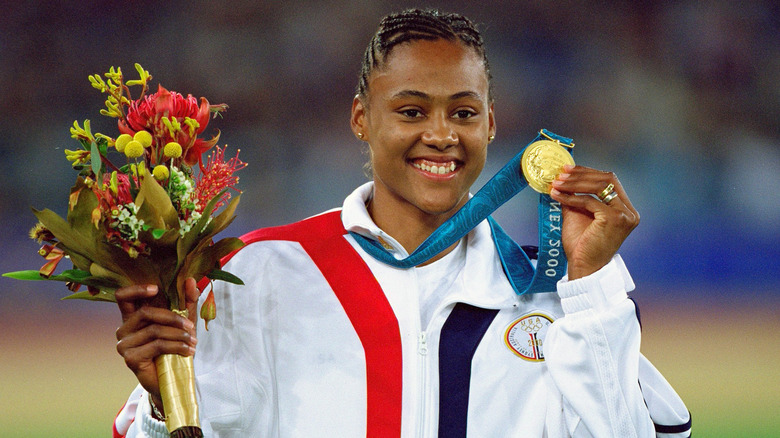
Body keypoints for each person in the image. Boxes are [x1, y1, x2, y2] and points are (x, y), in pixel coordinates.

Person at [113, 8, 691, 438]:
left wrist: (591, 284)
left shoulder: (552, 292)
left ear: (491, 124)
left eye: (463, 113)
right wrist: (167, 402)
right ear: (362, 119)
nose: (440, 134)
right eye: (411, 111)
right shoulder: (261, 272)